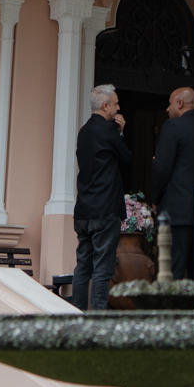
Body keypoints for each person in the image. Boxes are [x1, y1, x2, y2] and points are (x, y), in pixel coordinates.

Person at [71, 83, 131, 310]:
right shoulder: (108, 131)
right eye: (115, 104)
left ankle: (77, 313)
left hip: (84, 209)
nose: (118, 108)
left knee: (83, 267)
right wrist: (121, 133)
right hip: (105, 210)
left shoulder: (84, 131)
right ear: (105, 106)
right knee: (102, 270)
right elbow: (126, 159)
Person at [151, 86, 194, 278]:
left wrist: (155, 199)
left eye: (170, 104)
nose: (167, 109)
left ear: (181, 103)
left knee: (171, 273)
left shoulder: (172, 126)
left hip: (175, 212)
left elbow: (161, 168)